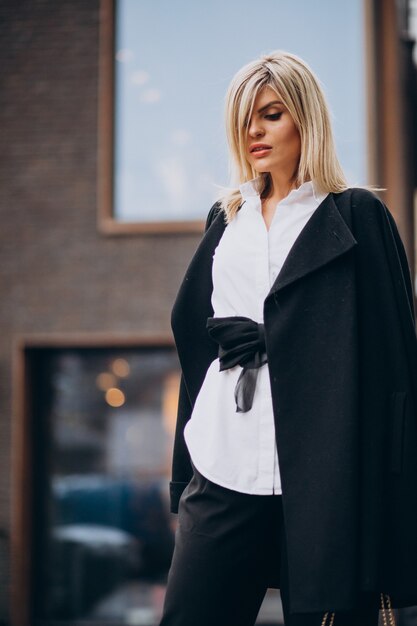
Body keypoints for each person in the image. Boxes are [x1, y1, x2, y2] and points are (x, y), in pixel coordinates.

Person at [159, 50, 417, 626]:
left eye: (272, 114)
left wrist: (390, 503)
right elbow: (199, 350)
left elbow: (396, 370)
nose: (254, 129)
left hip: (327, 478)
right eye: (246, 117)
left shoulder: (357, 216)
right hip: (223, 469)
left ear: (307, 118)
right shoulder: (227, 219)